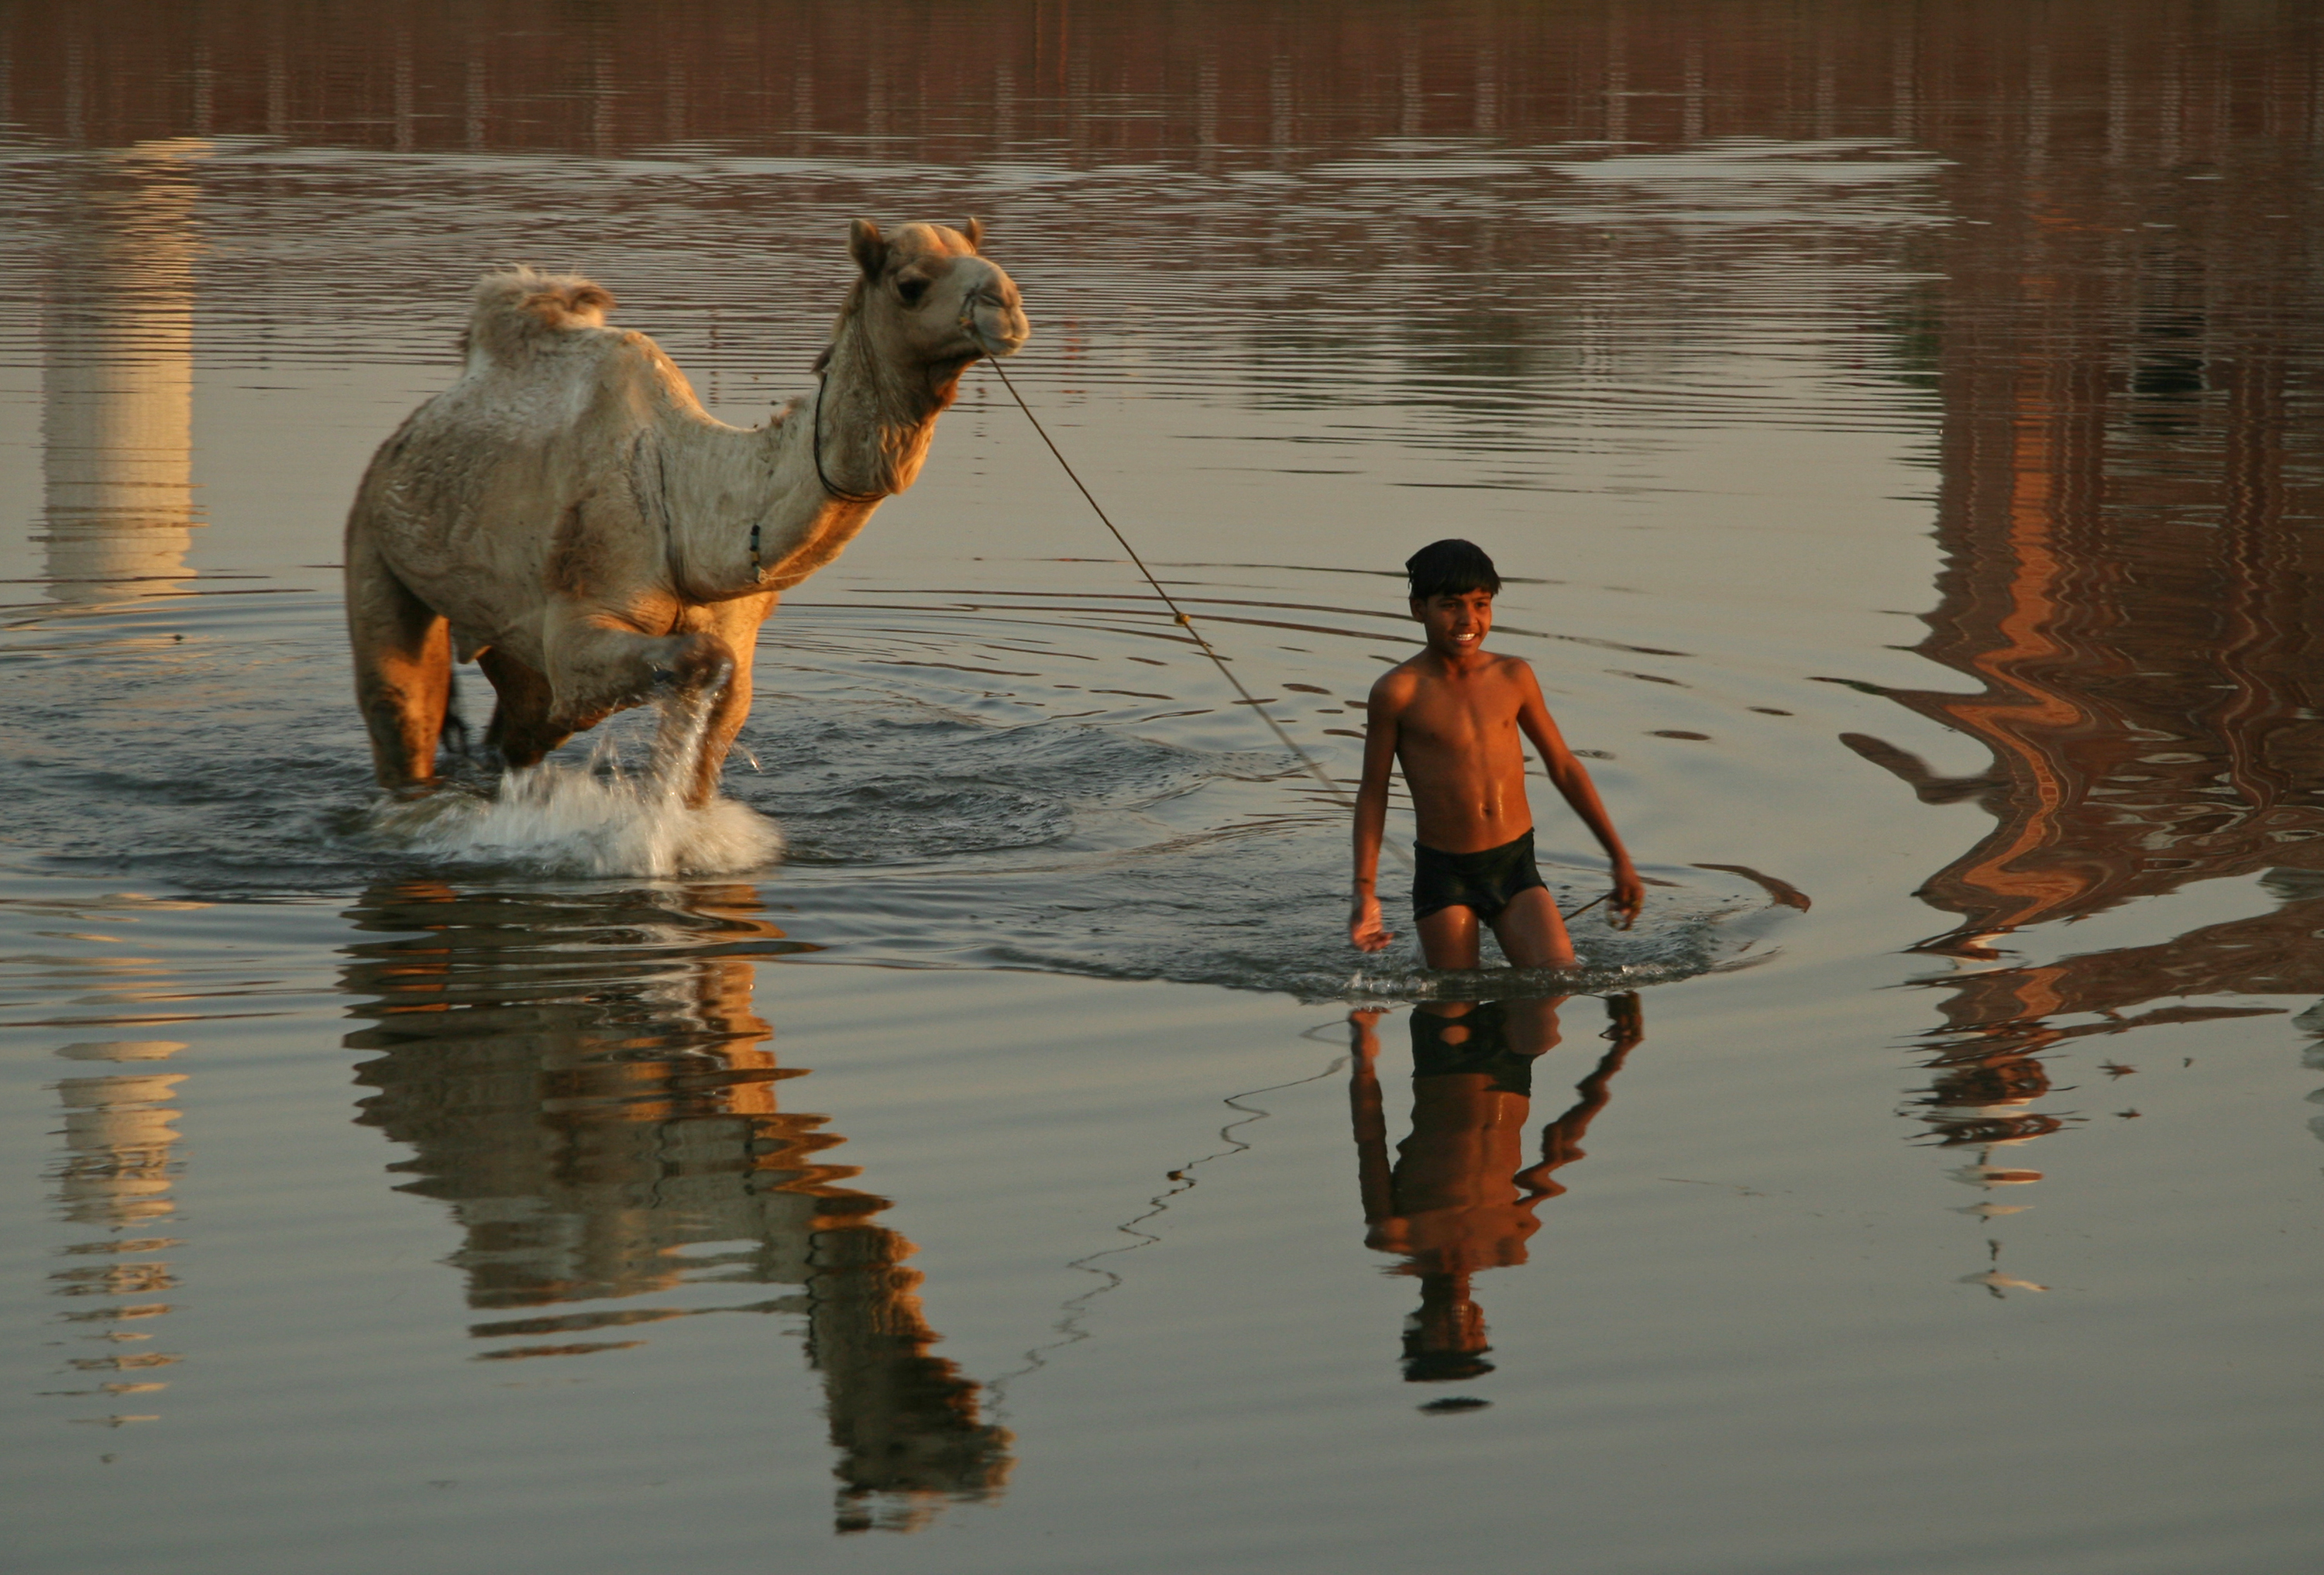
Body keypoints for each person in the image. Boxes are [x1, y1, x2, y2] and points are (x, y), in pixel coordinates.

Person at [1350, 538, 1642, 969]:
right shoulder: (1397, 692)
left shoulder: (1513, 676)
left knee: (1556, 986)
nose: (1468, 619)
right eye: (1450, 605)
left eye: (1481, 604)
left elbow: (1563, 766)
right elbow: (1373, 792)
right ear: (1419, 609)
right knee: (1453, 1006)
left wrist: (1620, 859)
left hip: (1513, 866)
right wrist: (1364, 891)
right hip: (1444, 874)